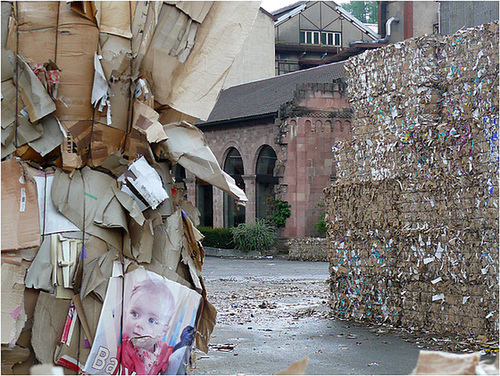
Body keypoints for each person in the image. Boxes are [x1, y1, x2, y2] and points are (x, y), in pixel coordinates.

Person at [118, 277, 176, 375]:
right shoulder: (120, 346)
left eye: (151, 320)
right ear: (126, 313)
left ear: (163, 331)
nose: (140, 324)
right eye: (135, 314)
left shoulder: (166, 354)